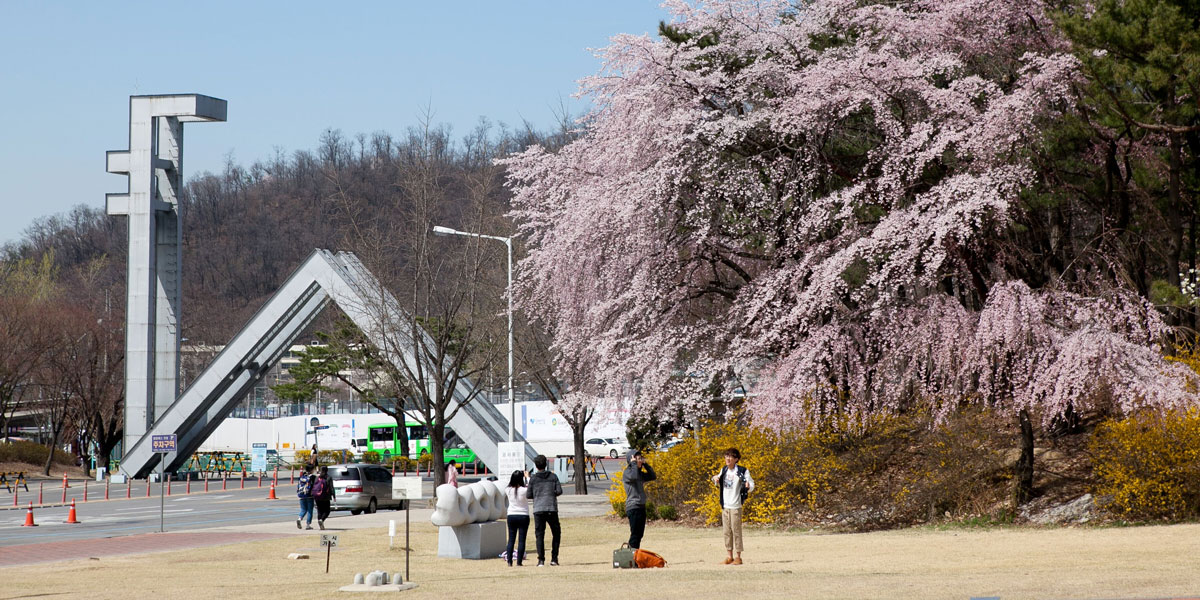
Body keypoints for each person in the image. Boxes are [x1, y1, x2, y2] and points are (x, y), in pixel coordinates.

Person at [711, 447, 754, 565]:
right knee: (726, 532)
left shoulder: (742, 471)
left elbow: (751, 484)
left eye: (730, 457)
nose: (728, 459)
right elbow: (717, 480)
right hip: (725, 505)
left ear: (736, 459)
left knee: (736, 531)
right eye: (726, 456)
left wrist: (748, 486)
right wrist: (715, 479)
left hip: (735, 505)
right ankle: (729, 556)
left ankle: (738, 557)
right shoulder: (724, 470)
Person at [526, 454, 563, 566]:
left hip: (538, 509)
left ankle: (541, 560)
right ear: (546, 464)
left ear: (536, 466)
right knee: (556, 533)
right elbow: (559, 491)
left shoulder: (533, 479)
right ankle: (554, 559)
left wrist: (538, 494)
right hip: (551, 508)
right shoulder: (553, 477)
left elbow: (529, 495)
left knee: (540, 535)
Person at [622, 449, 657, 549]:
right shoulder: (628, 472)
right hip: (633, 507)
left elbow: (652, 476)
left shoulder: (639, 473)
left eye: (641, 458)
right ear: (632, 460)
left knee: (639, 535)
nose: (640, 460)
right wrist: (633, 464)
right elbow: (634, 476)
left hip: (641, 506)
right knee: (635, 535)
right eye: (638, 459)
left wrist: (645, 465)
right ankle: (631, 557)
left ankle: (633, 556)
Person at [504, 469, 530, 566]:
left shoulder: (508, 490)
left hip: (511, 515)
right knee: (521, 540)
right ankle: (519, 562)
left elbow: (509, 485)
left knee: (511, 539)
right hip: (523, 515)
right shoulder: (524, 490)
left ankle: (509, 561)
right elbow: (531, 486)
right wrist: (527, 477)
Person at [314, 465, 335, 530]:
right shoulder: (329, 477)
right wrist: (333, 495)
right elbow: (331, 487)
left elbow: (314, 486)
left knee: (319, 510)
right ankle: (322, 520)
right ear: (327, 470)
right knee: (327, 510)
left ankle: (320, 520)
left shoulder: (317, 478)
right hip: (325, 497)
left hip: (317, 496)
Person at [296, 465, 315, 530]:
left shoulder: (302, 477)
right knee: (310, 510)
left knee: (303, 509)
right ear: (312, 470)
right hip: (309, 495)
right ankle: (308, 524)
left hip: (301, 495)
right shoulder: (312, 477)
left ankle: (299, 518)